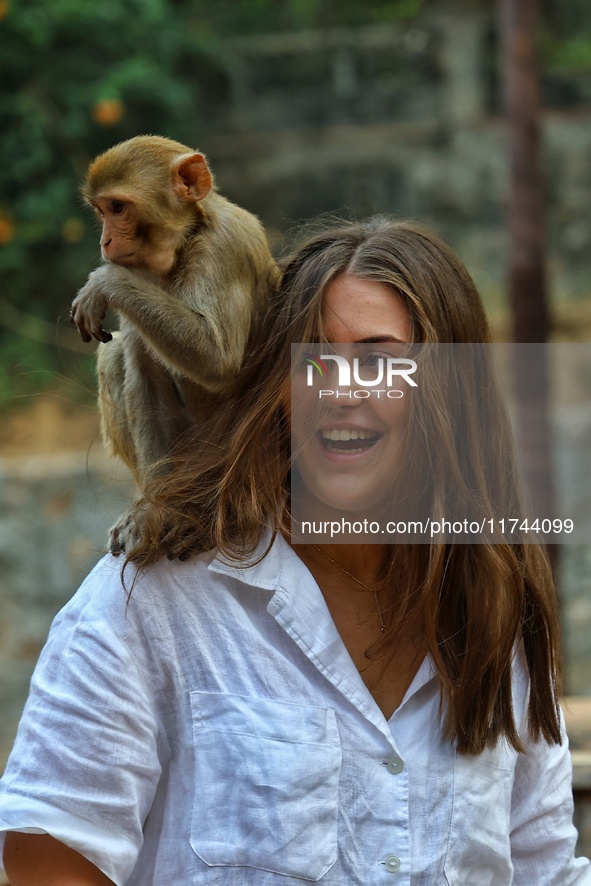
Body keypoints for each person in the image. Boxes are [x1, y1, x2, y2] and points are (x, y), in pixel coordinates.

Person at [1, 217, 589, 884]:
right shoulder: (153, 601)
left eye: (376, 360)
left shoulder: (495, 612)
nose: (340, 390)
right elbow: (47, 863)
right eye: (312, 358)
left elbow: (543, 869)